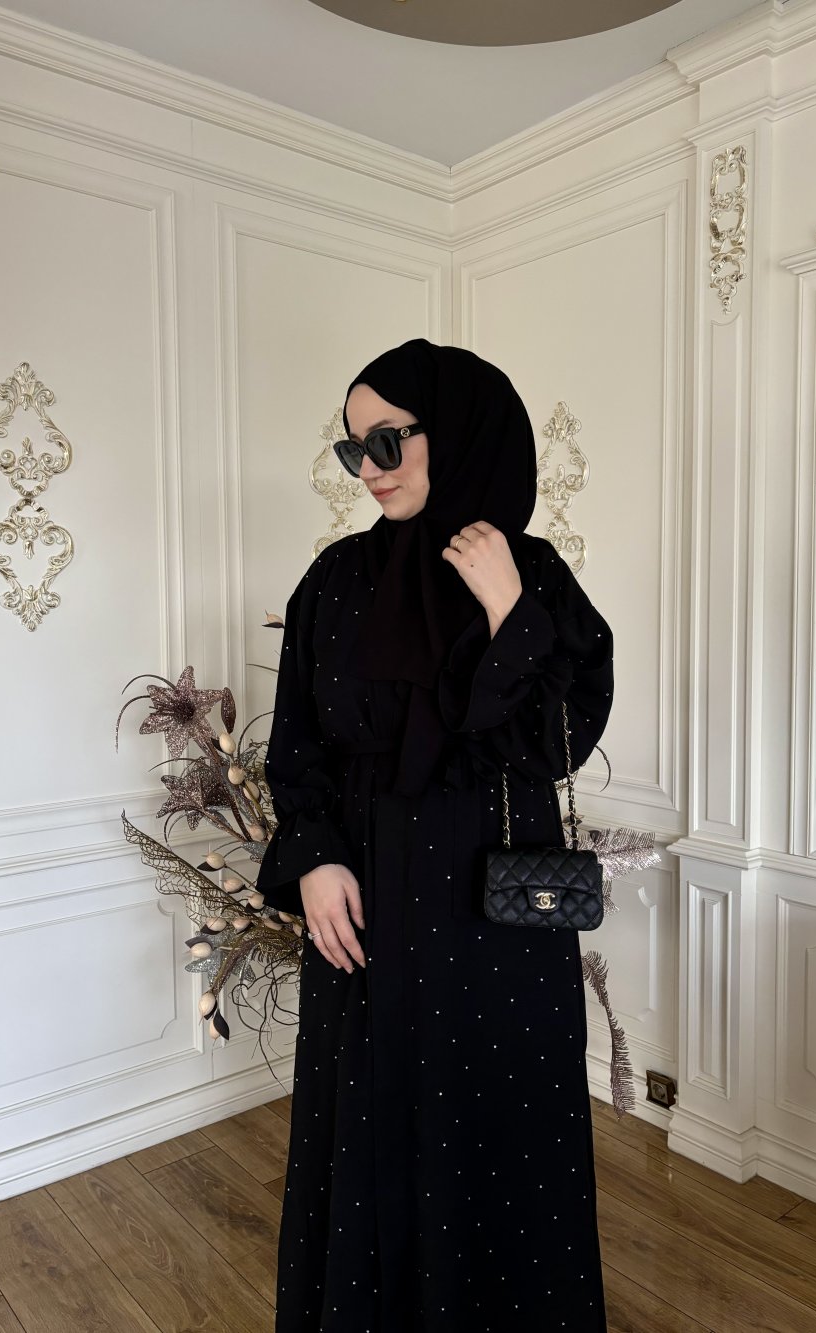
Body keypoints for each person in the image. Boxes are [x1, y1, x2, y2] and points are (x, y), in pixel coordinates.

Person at [257, 338, 614, 1332]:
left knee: (500, 1128)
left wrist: (509, 609)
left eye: (386, 441)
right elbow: (297, 747)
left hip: (492, 914)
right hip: (363, 904)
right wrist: (314, 860)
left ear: (454, 431)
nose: (367, 469)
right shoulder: (335, 581)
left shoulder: (532, 573)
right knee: (366, 1126)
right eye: (352, 450)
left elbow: (556, 743)